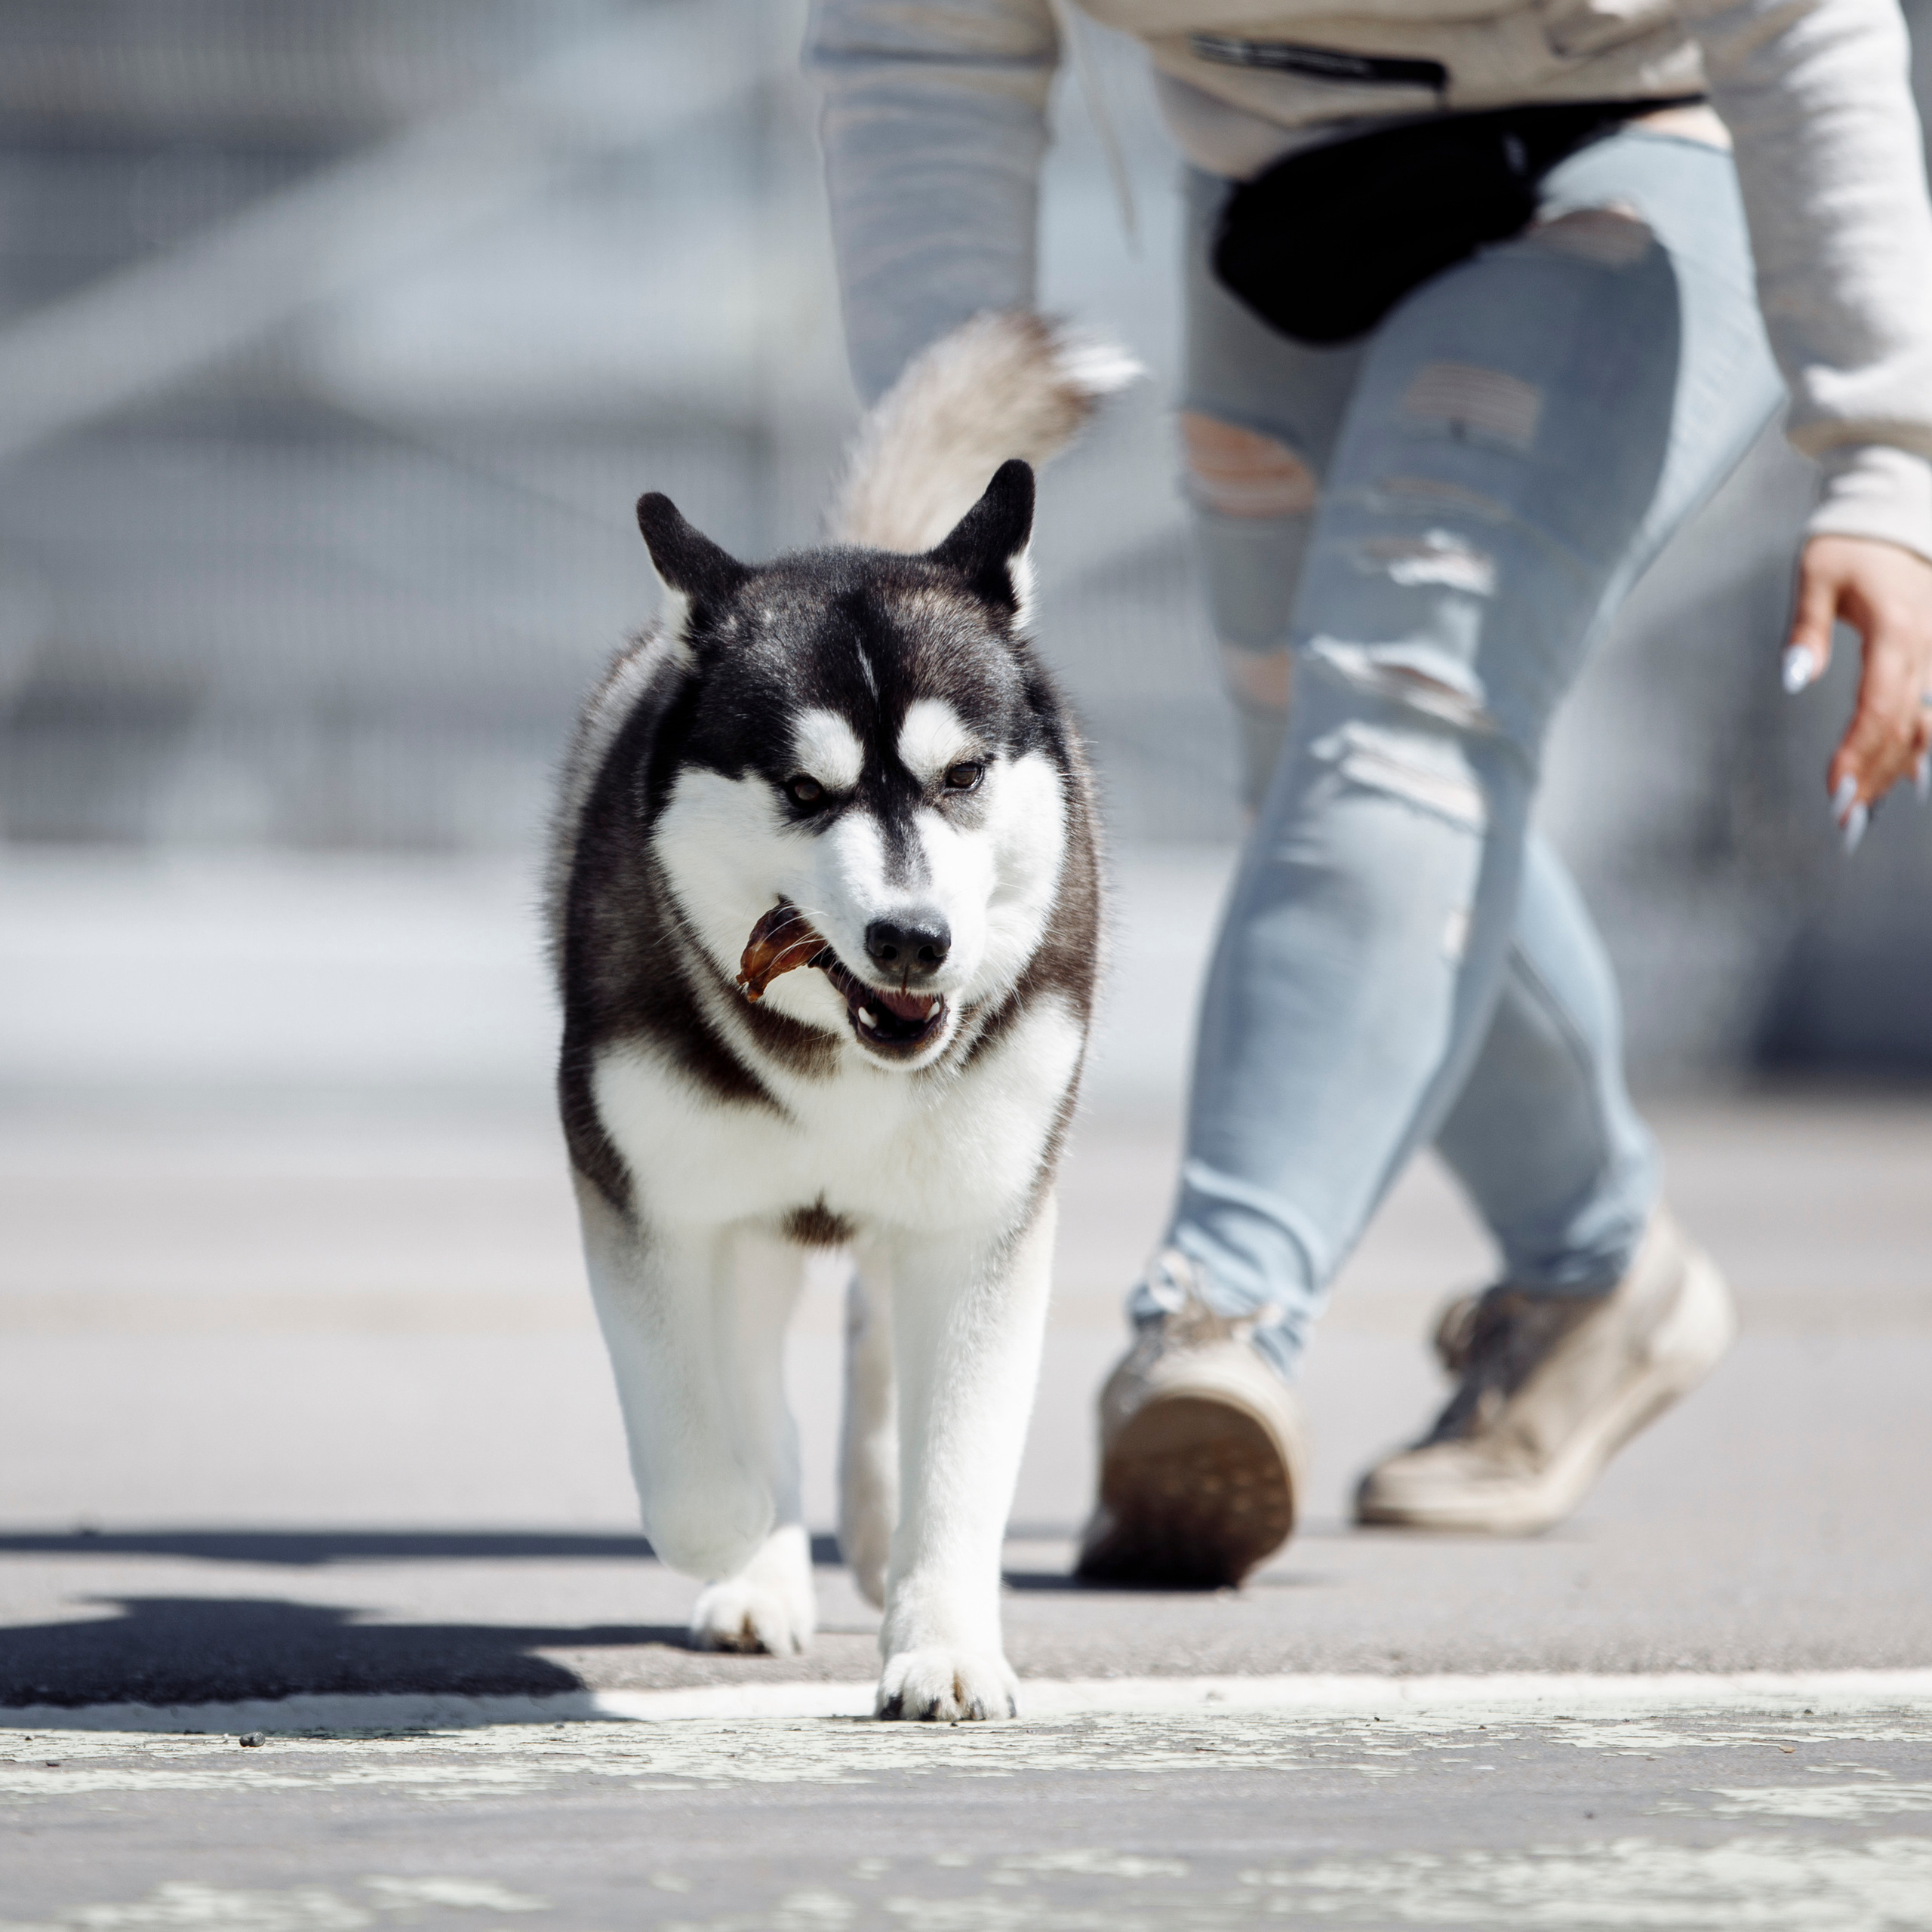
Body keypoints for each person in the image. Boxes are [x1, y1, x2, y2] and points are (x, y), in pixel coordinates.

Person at [805, 0, 1932, 1585]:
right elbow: (919, 48)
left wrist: (1887, 460)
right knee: (1330, 768)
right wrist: (939, 533)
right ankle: (1597, 1273)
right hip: (1284, 181)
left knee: (1401, 695)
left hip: (1637, 142)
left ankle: (1217, 1316)